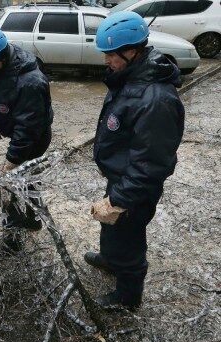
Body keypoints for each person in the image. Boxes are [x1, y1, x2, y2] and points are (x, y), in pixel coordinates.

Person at [86, 11, 184, 310]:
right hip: (121, 176)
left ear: (132, 52)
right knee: (112, 226)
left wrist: (119, 198)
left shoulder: (155, 100)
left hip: (135, 186)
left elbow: (151, 164)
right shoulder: (130, 78)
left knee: (128, 238)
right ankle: (110, 259)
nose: (106, 62)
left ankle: (127, 297)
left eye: (111, 55)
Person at [0, 26, 53, 230]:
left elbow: (27, 127)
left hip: (33, 138)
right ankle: (32, 218)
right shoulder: (8, 63)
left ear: (3, 56)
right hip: (25, 133)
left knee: (10, 179)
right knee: (25, 178)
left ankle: (16, 225)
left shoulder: (30, 83)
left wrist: (12, 159)